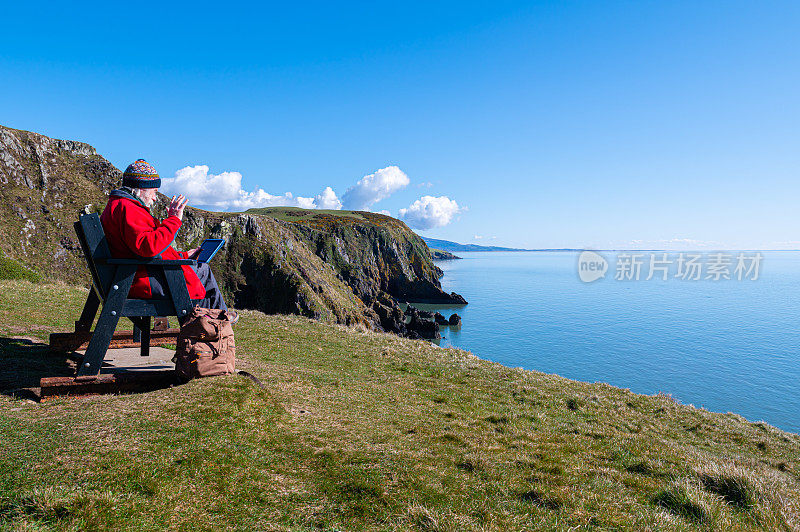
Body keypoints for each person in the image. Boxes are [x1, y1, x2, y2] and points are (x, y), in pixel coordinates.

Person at [100, 159, 237, 321]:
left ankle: (216, 320)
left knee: (200, 269)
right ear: (141, 188)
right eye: (154, 191)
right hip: (137, 281)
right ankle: (215, 324)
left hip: (131, 276)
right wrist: (173, 220)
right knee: (203, 272)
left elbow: (149, 249)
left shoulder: (120, 206)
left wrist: (184, 256)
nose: (155, 198)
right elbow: (148, 247)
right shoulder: (129, 209)